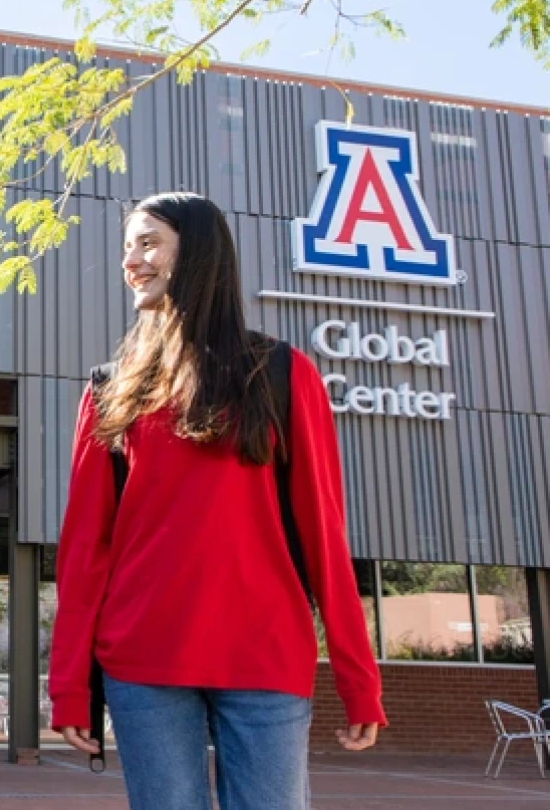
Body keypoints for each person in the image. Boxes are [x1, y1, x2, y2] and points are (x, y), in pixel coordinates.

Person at [48, 193, 386, 810]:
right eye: (128, 245)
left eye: (147, 242)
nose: (132, 259)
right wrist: (69, 684)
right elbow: (84, 551)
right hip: (143, 660)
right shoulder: (109, 391)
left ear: (198, 251)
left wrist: (359, 678)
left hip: (264, 657)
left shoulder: (282, 373)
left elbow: (323, 532)